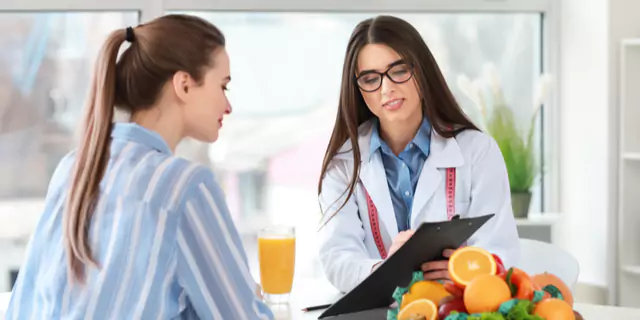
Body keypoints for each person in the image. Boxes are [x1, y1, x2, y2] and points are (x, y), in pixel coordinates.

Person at [6, 14, 273, 320]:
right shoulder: (185, 186)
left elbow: (23, 304)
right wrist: (247, 296)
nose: (228, 106)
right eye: (223, 87)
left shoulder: (74, 167)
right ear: (184, 85)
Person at [317, 15, 520, 293]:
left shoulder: (477, 152)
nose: (386, 88)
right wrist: (389, 269)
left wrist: (465, 271)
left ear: (421, 71)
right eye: (370, 78)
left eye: (398, 71)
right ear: (358, 89)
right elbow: (337, 259)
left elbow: (501, 249)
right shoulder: (343, 165)